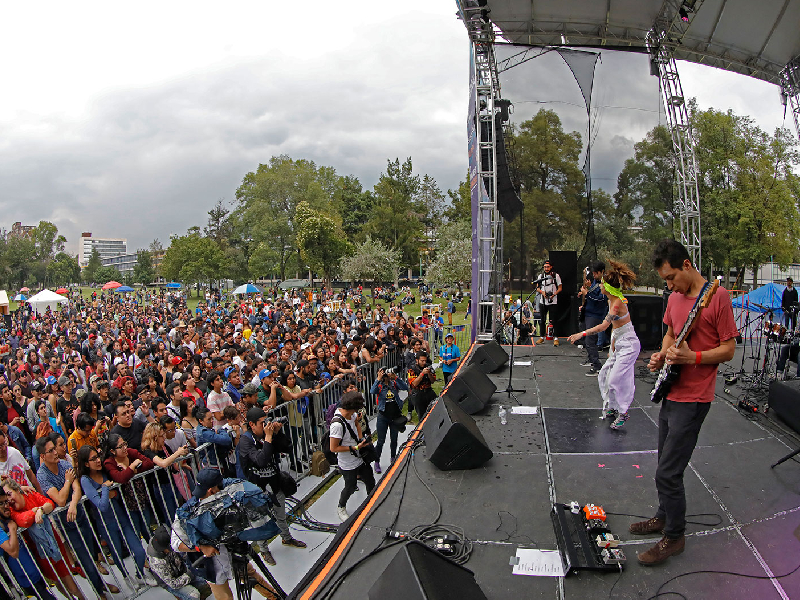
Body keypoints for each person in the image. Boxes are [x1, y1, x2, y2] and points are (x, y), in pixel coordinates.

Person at [634, 240, 738, 566]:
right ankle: (663, 517)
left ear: (687, 265)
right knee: (664, 461)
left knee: (668, 472)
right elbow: (669, 333)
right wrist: (662, 354)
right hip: (672, 391)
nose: (669, 285)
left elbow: (729, 349)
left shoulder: (717, 297)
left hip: (694, 399)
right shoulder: (675, 298)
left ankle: (674, 536)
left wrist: (693, 356)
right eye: (665, 280)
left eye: (671, 278)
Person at [36, 435, 118, 597]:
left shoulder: (65, 463)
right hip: (67, 524)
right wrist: (67, 482)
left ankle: (100, 584)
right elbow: (59, 500)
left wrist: (73, 504)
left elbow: (77, 488)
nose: (55, 453)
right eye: (50, 451)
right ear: (43, 456)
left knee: (92, 555)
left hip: (80, 515)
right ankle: (98, 589)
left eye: (54, 449)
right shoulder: (42, 475)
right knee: (85, 560)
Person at [568, 260, 642, 429]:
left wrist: (582, 333)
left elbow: (604, 327)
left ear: (607, 288)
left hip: (629, 345)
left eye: (602, 284)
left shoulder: (617, 304)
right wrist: (612, 347)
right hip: (620, 343)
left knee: (617, 379)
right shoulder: (611, 301)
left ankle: (623, 412)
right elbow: (617, 329)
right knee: (604, 375)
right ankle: (611, 406)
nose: (599, 286)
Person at [76, 444, 155, 587]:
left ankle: (140, 574)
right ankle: (126, 577)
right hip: (106, 524)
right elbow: (101, 505)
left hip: (121, 518)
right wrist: (106, 489)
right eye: (93, 459)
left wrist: (115, 493)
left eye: (97, 457)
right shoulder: (85, 480)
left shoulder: (105, 471)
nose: (98, 460)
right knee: (117, 553)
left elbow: (118, 490)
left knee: (138, 550)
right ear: (86, 463)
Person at [237, 406, 306, 566]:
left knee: (280, 513)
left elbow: (287, 448)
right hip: (256, 490)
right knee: (260, 521)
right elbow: (260, 461)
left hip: (274, 483)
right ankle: (264, 549)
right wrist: (268, 438)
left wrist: (277, 433)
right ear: (252, 425)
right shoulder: (246, 441)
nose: (266, 425)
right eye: (262, 423)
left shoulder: (268, 435)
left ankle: (286, 538)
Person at [0, 485, 57, 600]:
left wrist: (21, 488)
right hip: (26, 579)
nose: (6, 506)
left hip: (37, 572)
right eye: (1, 504)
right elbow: (13, 552)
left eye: (6, 501)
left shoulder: (7, 518)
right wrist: (12, 529)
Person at [329, 391, 375, 521]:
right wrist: (355, 447)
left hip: (359, 458)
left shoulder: (353, 415)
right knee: (350, 486)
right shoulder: (337, 425)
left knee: (370, 481)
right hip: (347, 462)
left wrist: (360, 439)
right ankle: (341, 506)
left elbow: (356, 425)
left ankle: (372, 503)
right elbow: (333, 448)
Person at [146, 524, 211, 600]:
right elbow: (173, 584)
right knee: (194, 595)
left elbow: (183, 555)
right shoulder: (157, 562)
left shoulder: (168, 541)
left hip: (183, 571)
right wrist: (189, 574)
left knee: (210, 579)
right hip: (173, 583)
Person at [369, 367, 408, 474]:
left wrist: (396, 377)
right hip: (383, 416)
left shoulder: (394, 383)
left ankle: (393, 457)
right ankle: (377, 462)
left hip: (395, 416)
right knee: (380, 441)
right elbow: (372, 391)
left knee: (394, 439)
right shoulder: (380, 385)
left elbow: (405, 387)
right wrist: (378, 378)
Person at [581, 260, 607, 376]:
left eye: (596, 273)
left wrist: (587, 294)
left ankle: (597, 366)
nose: (594, 275)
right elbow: (593, 294)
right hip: (589, 312)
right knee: (587, 339)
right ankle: (591, 360)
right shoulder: (596, 282)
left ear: (602, 272)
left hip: (595, 314)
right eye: (594, 273)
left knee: (590, 340)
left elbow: (601, 299)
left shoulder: (605, 284)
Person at [536, 260, 563, 346]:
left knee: (554, 320)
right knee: (542, 320)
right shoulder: (541, 276)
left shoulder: (556, 276)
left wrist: (554, 294)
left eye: (548, 267)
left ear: (551, 267)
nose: (546, 269)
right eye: (545, 267)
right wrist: (542, 292)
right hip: (543, 301)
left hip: (553, 301)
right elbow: (537, 288)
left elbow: (560, 288)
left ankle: (556, 338)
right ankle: (542, 337)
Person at [407, 352, 436, 420]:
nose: (424, 362)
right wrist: (422, 374)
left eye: (425, 360)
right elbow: (414, 384)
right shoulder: (412, 369)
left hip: (429, 391)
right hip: (418, 393)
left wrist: (429, 374)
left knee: (435, 410)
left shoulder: (428, 366)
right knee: (422, 415)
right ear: (417, 360)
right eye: (422, 361)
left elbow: (433, 381)